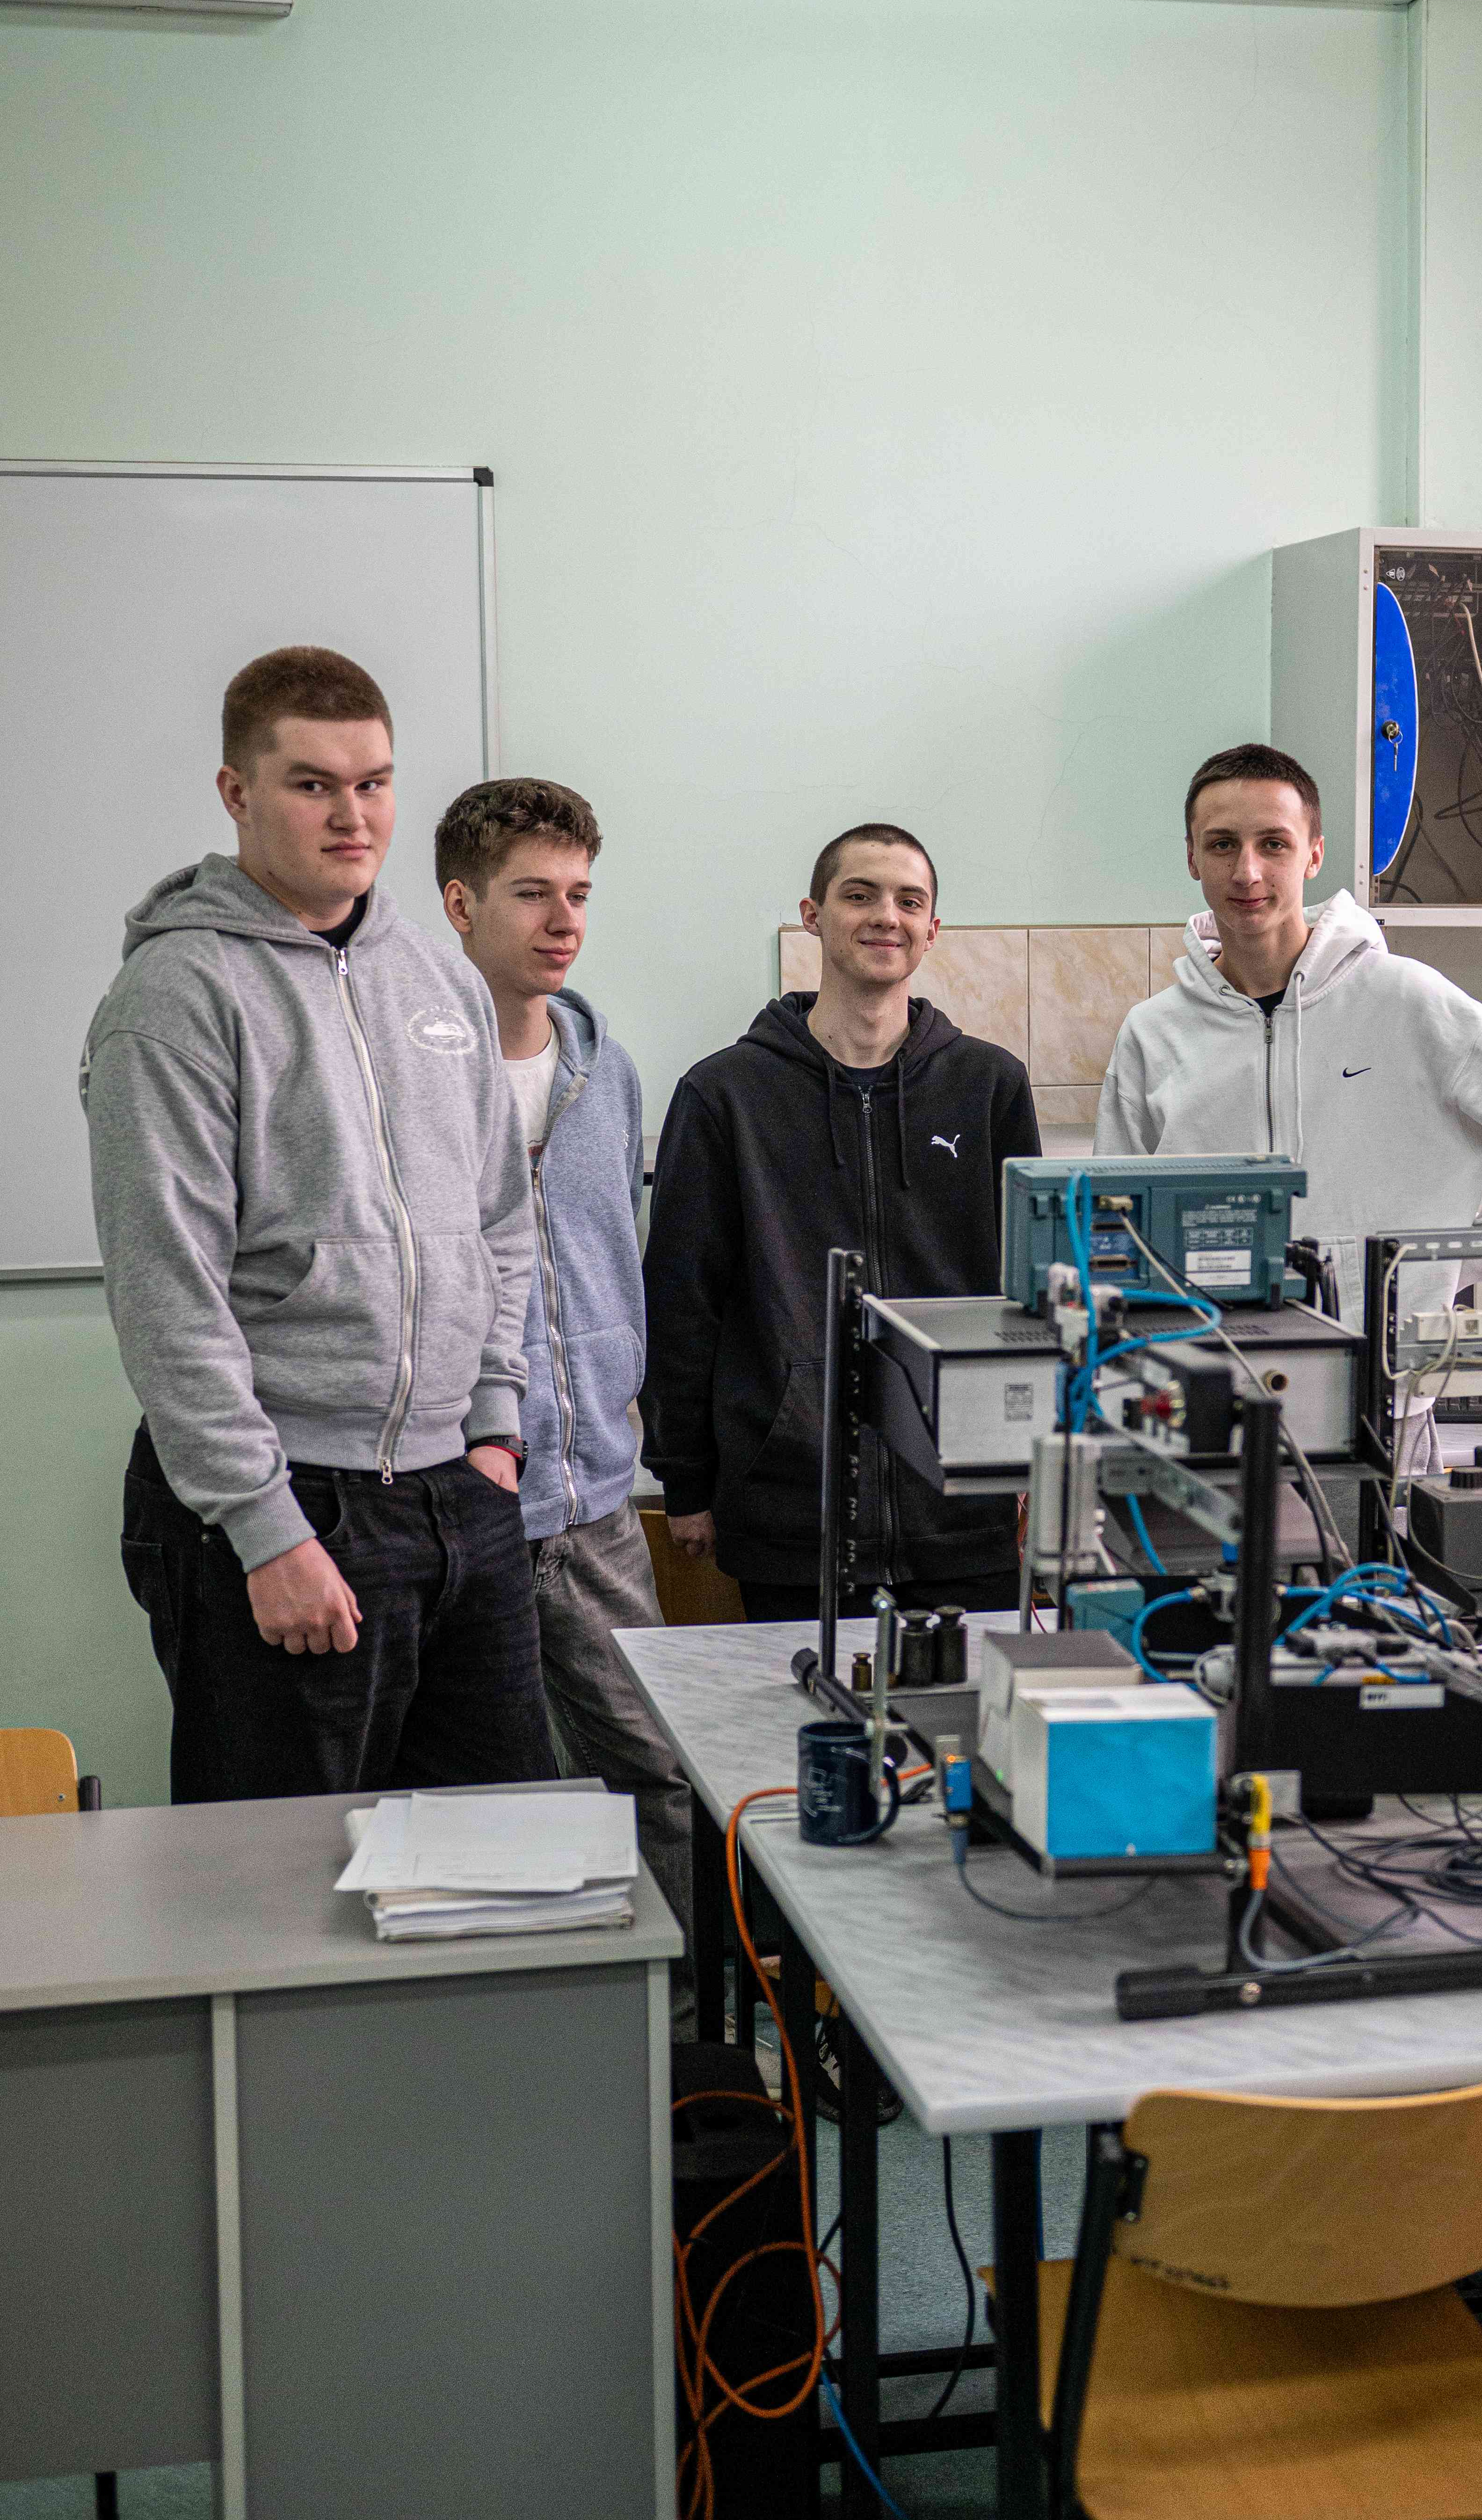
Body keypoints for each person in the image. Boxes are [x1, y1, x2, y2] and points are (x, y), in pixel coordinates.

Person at [83, 645, 556, 1803]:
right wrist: (267, 1529)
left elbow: (500, 1219)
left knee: (503, 1856)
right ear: (237, 793)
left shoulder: (439, 982)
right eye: (313, 785)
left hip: (458, 1489)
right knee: (278, 1878)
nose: (354, 816)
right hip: (291, 1500)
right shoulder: (176, 997)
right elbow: (168, 1291)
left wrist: (494, 1429)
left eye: (374, 783)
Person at [642, 822, 1041, 1628]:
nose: (885, 916)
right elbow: (682, 1301)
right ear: (812, 916)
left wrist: (1039, 1458)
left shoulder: (989, 1086)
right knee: (803, 1712)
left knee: (972, 1712)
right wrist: (684, 1480)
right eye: (859, 895)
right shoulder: (724, 1096)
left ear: (933, 929)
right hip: (790, 1515)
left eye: (908, 901)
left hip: (968, 1511)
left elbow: (1031, 1293)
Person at [436, 774, 694, 2011]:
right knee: (473, 1799)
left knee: (657, 1776)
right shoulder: (411, 1074)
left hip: (593, 1502)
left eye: (579, 895)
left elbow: (610, 1262)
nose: (563, 921)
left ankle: (687, 2041)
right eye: (533, 893)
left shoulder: (608, 1072)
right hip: (455, 1499)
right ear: (460, 904)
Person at [1095, 743, 1482, 1331]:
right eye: (1222, 844)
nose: (1247, 872)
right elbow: (1111, 1228)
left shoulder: (1408, 1000)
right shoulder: (1153, 1033)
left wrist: (1445, 1267)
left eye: (1273, 844)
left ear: (1313, 855)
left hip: (1385, 1370)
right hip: (1206, 1363)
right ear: (1192, 858)